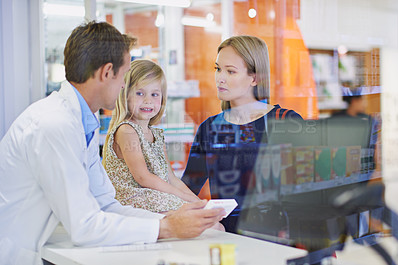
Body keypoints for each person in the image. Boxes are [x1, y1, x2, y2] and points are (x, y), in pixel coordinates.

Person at [0, 21, 224, 265]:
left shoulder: (82, 122)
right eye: (124, 76)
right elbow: (84, 226)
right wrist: (167, 228)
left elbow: (105, 204)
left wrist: (168, 221)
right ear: (107, 72)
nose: (123, 86)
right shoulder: (54, 125)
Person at [182, 35, 302, 233]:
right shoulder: (209, 128)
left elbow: (308, 192)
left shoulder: (286, 122)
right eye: (218, 69)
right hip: (226, 240)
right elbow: (187, 188)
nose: (220, 77)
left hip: (277, 242)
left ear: (255, 78)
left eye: (230, 71)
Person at [102, 59, 200, 213]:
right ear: (125, 95)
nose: (148, 100)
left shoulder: (156, 134)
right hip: (133, 200)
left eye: (155, 94)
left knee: (208, 219)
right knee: (207, 224)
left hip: (154, 197)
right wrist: (182, 197)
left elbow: (171, 178)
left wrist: (195, 199)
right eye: (140, 93)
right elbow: (143, 177)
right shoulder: (126, 130)